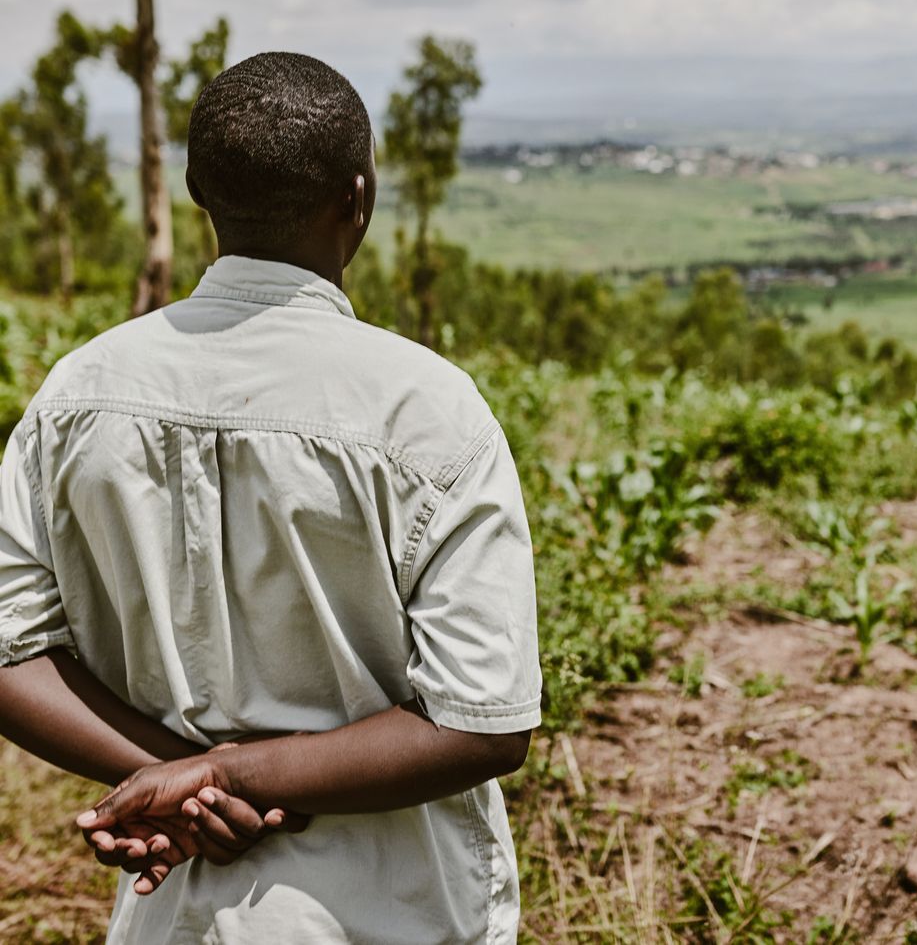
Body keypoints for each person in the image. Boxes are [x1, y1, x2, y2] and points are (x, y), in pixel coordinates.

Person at [0, 52, 541, 943]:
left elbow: (13, 653)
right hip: (394, 912)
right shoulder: (425, 411)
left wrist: (188, 777)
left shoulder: (78, 394)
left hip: (176, 911)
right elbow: (481, 725)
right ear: (358, 198)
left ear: (195, 192)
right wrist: (233, 779)